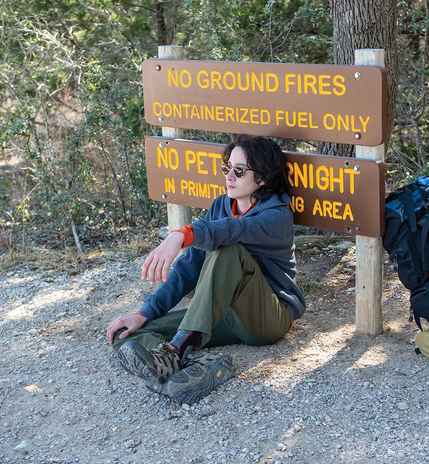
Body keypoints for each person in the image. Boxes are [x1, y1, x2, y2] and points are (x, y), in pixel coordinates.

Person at [106, 134, 305, 403]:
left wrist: (181, 235)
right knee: (130, 334)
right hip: (225, 312)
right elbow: (190, 267)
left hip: (267, 318)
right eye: (227, 168)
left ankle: (174, 353)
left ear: (264, 178)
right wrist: (144, 313)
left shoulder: (277, 216)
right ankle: (192, 369)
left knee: (228, 248)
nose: (229, 177)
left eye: (239, 171)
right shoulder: (221, 205)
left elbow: (232, 230)